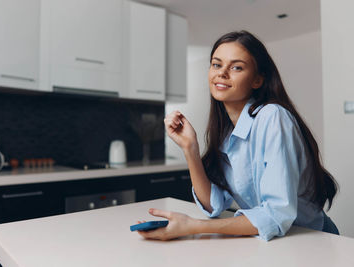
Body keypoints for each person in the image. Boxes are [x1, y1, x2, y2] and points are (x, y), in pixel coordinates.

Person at [136, 30, 339, 241]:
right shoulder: (226, 131)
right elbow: (213, 204)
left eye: (236, 67)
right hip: (273, 242)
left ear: (257, 80)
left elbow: (276, 214)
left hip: (311, 240)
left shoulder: (272, 116)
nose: (222, 73)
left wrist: (191, 226)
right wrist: (190, 148)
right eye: (216, 64)